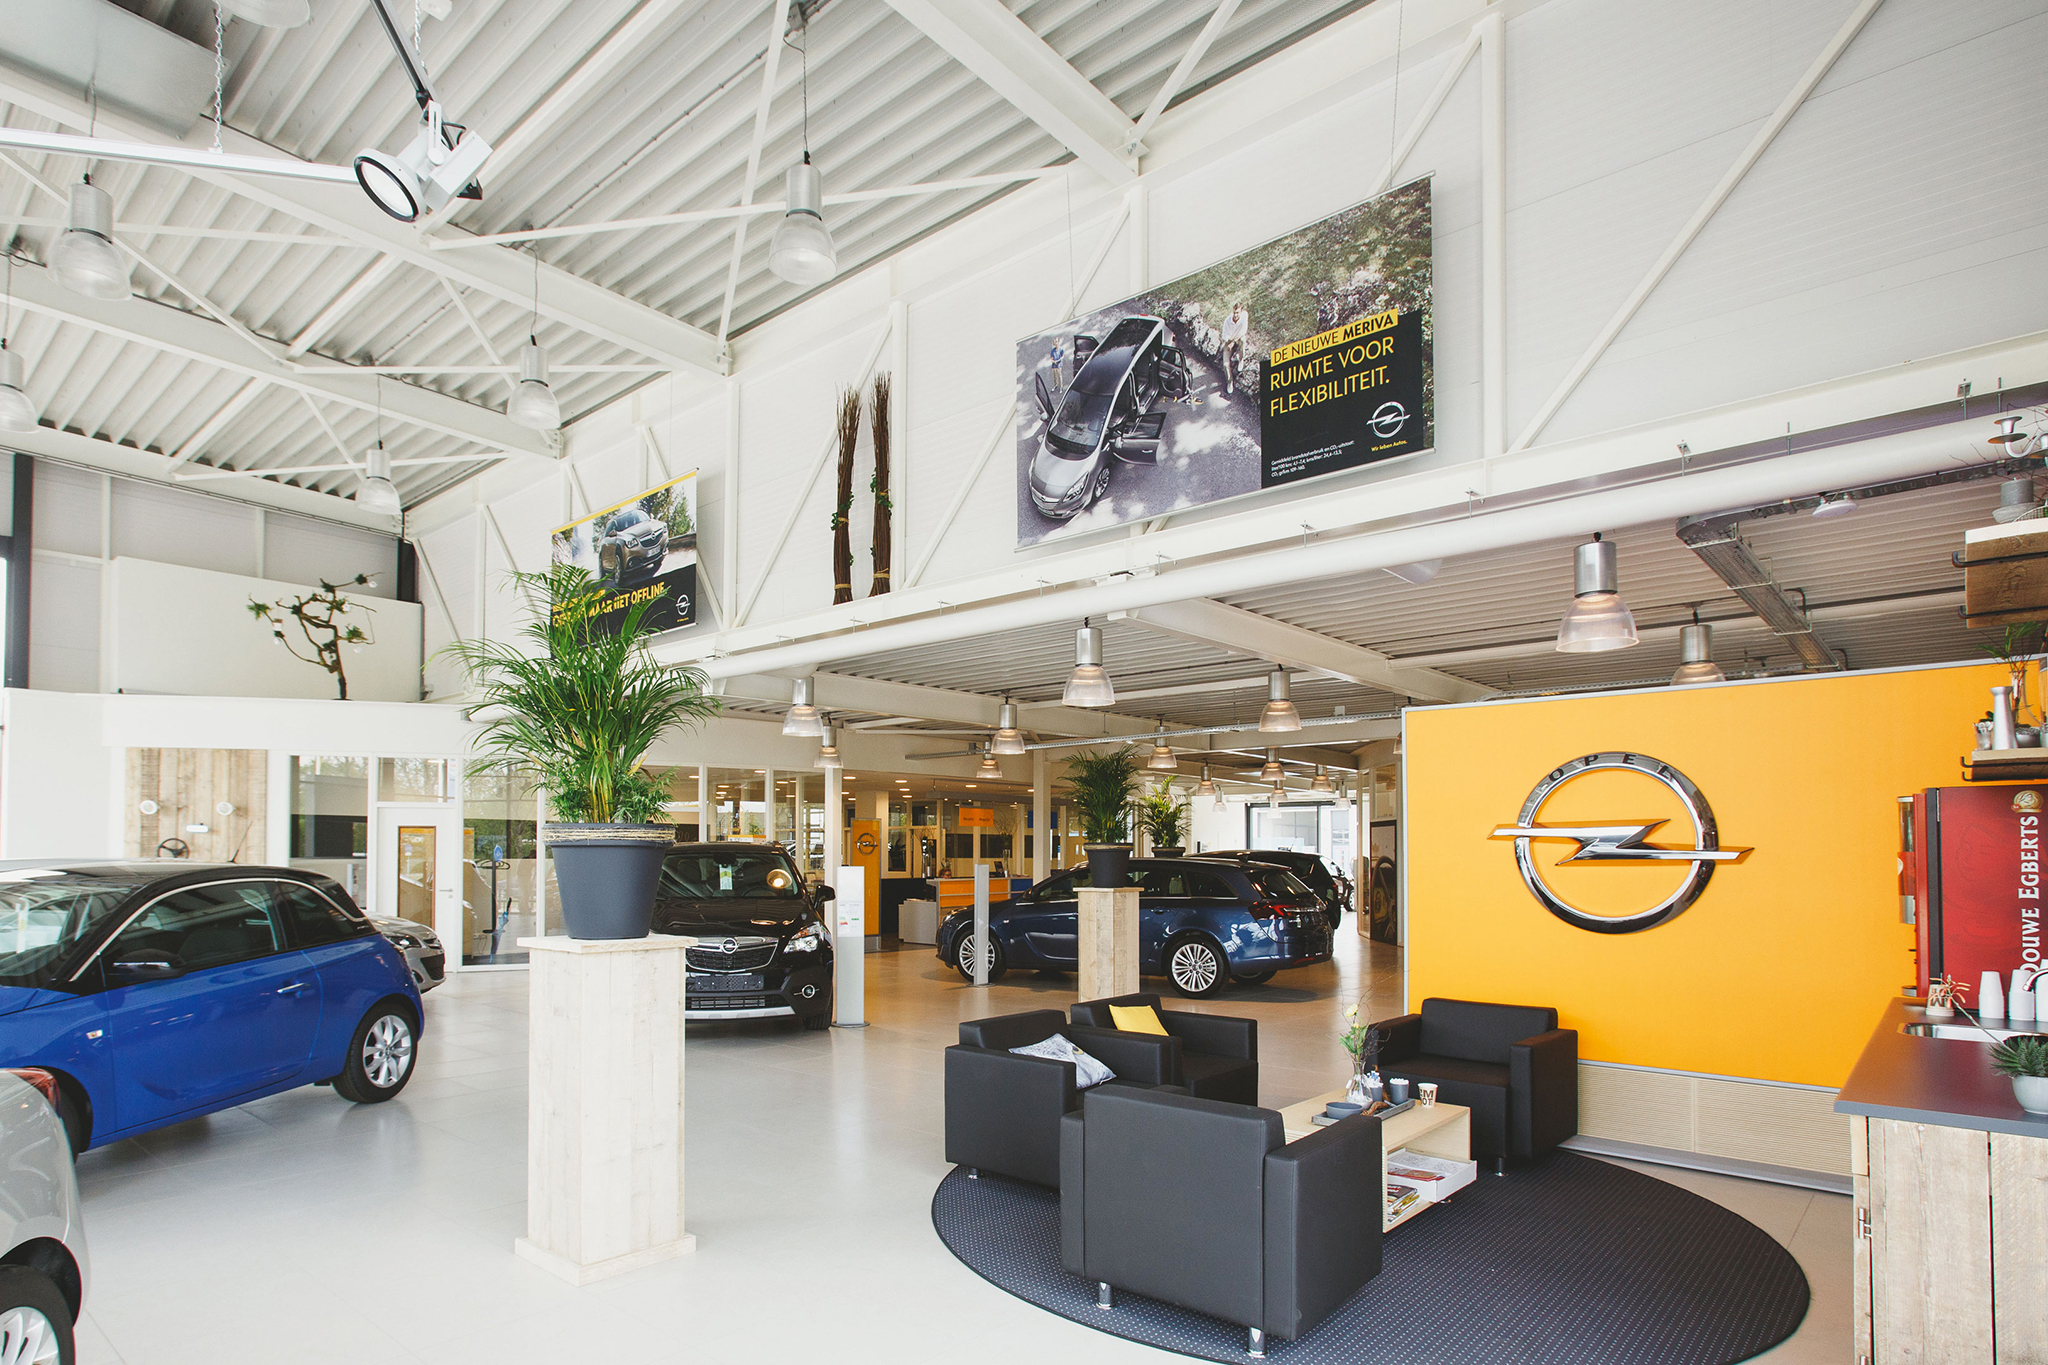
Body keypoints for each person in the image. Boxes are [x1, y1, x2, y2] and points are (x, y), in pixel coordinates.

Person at [1220, 302, 1249, 397]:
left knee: (1243, 340)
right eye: (1234, 313)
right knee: (1225, 364)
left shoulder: (1244, 315)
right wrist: (1230, 342)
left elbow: (1243, 331)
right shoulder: (1227, 321)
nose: (1236, 315)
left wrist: (1233, 341)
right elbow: (1224, 336)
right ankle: (1229, 382)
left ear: (1241, 312)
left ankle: (1241, 359)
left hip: (1237, 338)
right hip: (1229, 341)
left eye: (1237, 313)